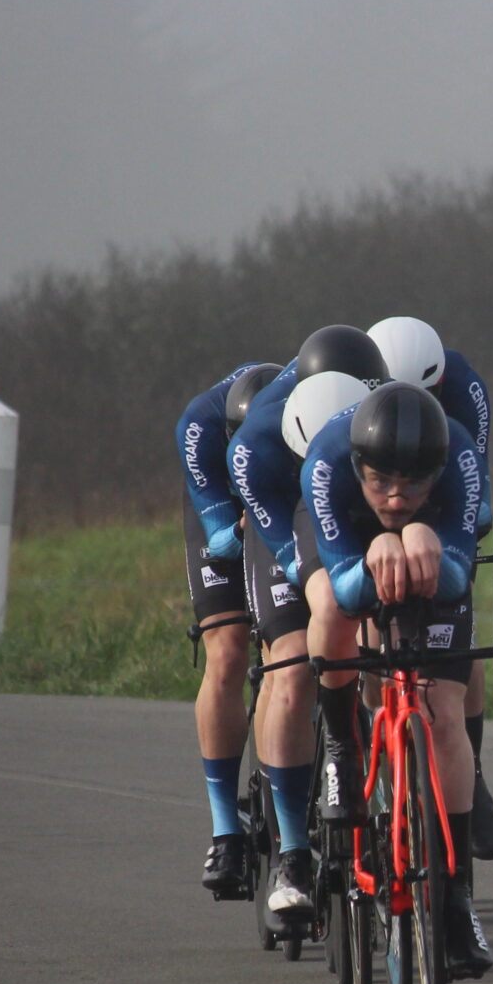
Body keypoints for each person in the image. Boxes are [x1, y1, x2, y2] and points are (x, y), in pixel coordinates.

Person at [297, 381, 493, 977]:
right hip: (349, 545)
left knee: (442, 715)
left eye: (412, 484)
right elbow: (345, 588)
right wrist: (381, 541)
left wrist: (419, 535)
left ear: (436, 472)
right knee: (333, 611)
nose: (394, 495)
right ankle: (342, 746)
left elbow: (457, 579)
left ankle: (455, 896)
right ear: (358, 466)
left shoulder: (460, 457)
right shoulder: (328, 460)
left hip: (431, 548)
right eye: (380, 480)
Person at [229, 324, 394, 928]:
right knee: (295, 662)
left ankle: (387, 796)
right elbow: (287, 542)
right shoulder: (256, 444)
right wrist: (317, 581)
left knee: (378, 642)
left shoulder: (382, 410)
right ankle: (292, 855)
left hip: (352, 502)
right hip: (282, 520)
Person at [366, 316, 493, 861]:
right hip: (372, 503)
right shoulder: (353, 388)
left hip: (440, 502)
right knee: (363, 633)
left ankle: (470, 764)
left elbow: (477, 494)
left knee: (458, 632)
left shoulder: (465, 386)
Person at [177, 359, 286, 897]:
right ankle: (226, 833)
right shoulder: (200, 425)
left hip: (284, 495)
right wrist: (234, 527)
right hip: (222, 513)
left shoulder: (307, 412)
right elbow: (222, 539)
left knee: (290, 651)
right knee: (227, 655)